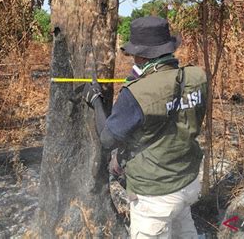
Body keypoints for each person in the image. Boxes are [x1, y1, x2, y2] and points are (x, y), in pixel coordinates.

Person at [83, 16, 207, 238]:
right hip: (187, 182)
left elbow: (107, 139)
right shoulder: (197, 77)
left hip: (155, 196)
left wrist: (95, 101)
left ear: (141, 55)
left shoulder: (137, 93)